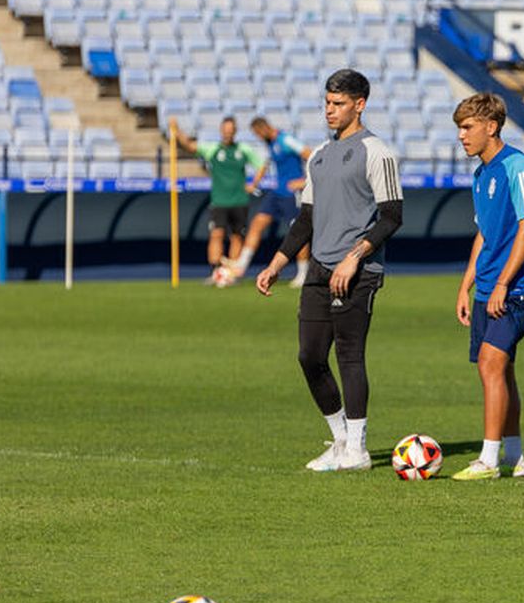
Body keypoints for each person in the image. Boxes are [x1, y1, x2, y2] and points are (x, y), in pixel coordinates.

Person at [255, 69, 402, 471]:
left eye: (338, 104)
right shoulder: (319, 155)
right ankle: (339, 440)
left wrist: (355, 256)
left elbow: (391, 216)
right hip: (319, 269)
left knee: (350, 356)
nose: (329, 111)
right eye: (326, 103)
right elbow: (305, 219)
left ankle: (358, 448)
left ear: (360, 104)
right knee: (310, 357)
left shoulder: (378, 152)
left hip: (358, 269)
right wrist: (277, 262)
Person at [452, 93, 524, 481]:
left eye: (468, 127)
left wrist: (505, 282)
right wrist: (465, 286)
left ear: (491, 127)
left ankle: (488, 460)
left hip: (517, 287)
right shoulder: (480, 174)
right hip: (487, 289)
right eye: (459, 128)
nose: (461, 136)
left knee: (492, 363)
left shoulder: (518, 166)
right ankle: (515, 458)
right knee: (501, 372)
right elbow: (484, 234)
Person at [170, 115, 261, 284]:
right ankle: (215, 271)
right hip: (219, 201)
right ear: (221, 131)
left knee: (236, 237)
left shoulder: (243, 150)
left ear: (235, 132)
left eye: (230, 131)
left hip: (240, 201)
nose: (227, 134)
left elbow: (261, 164)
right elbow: (190, 146)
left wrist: (253, 184)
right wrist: (177, 131)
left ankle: (231, 274)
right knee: (216, 235)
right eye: (225, 131)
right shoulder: (212, 149)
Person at [234, 117, 312, 286]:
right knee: (257, 223)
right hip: (277, 192)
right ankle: (241, 266)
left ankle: (303, 273)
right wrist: (254, 183)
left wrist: (305, 181)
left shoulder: (286, 140)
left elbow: (310, 155)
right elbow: (266, 164)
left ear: (263, 128)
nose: (258, 137)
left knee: (298, 232)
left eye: (257, 133)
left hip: (292, 194)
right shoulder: (270, 143)